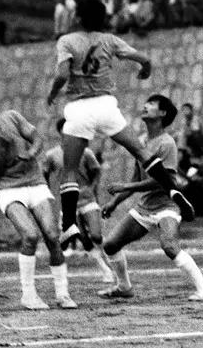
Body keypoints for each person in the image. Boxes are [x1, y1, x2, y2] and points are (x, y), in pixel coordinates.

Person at [46, 0, 195, 244]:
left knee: (70, 169)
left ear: (79, 18)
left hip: (80, 107)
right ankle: (173, 190)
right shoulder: (109, 40)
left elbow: (63, 73)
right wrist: (144, 70)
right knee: (141, 151)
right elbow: (143, 60)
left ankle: (69, 224)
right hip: (106, 106)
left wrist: (52, 93)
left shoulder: (67, 40)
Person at [0, 93, 76, 310]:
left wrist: (31, 153)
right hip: (9, 190)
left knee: (52, 236)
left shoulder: (11, 116)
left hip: (36, 184)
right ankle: (29, 295)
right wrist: (2, 153)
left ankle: (62, 293)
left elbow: (37, 137)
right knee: (30, 236)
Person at [97, 95, 203, 301]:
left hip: (167, 206)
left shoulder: (167, 143)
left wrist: (126, 186)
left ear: (162, 114)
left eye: (151, 104)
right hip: (145, 207)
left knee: (169, 246)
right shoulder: (141, 141)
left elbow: (165, 180)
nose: (145, 106)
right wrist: (115, 202)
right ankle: (124, 287)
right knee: (110, 245)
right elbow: (137, 177)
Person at [40, 119, 114, 283]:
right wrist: (47, 192)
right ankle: (105, 269)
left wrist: (91, 187)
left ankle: (109, 263)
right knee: (84, 239)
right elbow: (43, 173)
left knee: (96, 235)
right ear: (61, 132)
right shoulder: (52, 155)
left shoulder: (85, 152)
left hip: (87, 200)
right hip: (67, 203)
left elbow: (96, 170)